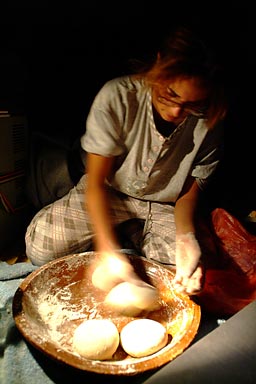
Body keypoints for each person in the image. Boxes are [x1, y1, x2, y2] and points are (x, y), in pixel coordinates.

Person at [25, 25, 227, 296]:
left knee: (184, 279)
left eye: (192, 104)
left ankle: (134, 233)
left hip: (164, 202)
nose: (177, 110)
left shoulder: (210, 118)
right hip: (109, 191)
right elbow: (95, 182)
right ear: (158, 65)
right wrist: (107, 250)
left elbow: (189, 192)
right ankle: (125, 234)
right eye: (171, 94)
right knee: (41, 248)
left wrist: (185, 237)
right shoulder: (119, 97)